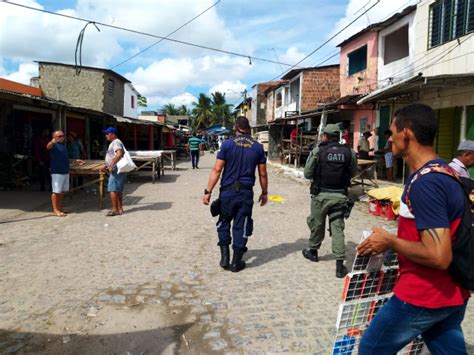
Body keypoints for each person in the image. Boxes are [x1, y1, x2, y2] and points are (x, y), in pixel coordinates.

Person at [357, 104, 470, 354]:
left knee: (370, 348)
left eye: (391, 131)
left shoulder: (426, 184)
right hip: (451, 293)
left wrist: (390, 241)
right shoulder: (446, 172)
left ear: (406, 133)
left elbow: (438, 256)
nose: (389, 138)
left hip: (423, 295)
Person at [202, 116, 268, 273]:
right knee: (242, 224)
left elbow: (217, 170)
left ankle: (224, 257)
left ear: (236, 128)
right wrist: (264, 193)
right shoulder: (258, 147)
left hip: (227, 192)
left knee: (224, 221)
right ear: (248, 129)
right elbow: (263, 174)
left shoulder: (226, 145)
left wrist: (208, 191)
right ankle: (236, 262)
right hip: (245, 192)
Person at [303, 124, 358, 278]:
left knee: (317, 223)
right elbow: (353, 172)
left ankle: (313, 252)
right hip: (340, 196)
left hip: (320, 196)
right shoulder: (349, 152)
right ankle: (340, 266)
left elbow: (307, 173)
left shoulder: (318, 151)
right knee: (338, 229)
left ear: (325, 136)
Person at [46, 130, 83, 216]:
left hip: (65, 171)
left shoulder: (63, 146)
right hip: (57, 171)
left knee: (62, 191)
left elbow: (66, 158)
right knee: (56, 191)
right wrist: (52, 141)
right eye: (59, 136)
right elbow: (48, 147)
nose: (62, 137)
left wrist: (75, 161)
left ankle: (60, 208)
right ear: (54, 137)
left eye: (63, 136)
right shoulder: (53, 145)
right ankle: (55, 210)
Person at [102, 127, 127, 216]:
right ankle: (120, 209)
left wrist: (111, 165)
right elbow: (114, 155)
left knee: (112, 189)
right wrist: (107, 164)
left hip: (116, 169)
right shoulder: (115, 142)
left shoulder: (116, 142)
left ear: (113, 134)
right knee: (118, 189)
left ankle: (114, 209)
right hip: (117, 168)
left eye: (107, 134)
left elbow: (119, 154)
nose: (106, 136)